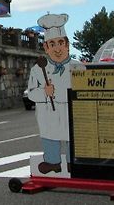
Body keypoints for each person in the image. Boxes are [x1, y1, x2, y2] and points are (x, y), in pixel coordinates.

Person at [27, 13, 83, 174]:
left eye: (60, 43)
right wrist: (44, 92)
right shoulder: (37, 70)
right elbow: (31, 93)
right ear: (46, 47)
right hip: (48, 113)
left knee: (73, 136)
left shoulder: (77, 67)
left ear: (67, 45)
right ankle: (52, 162)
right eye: (52, 44)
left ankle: (74, 161)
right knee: (50, 136)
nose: (57, 48)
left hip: (70, 110)